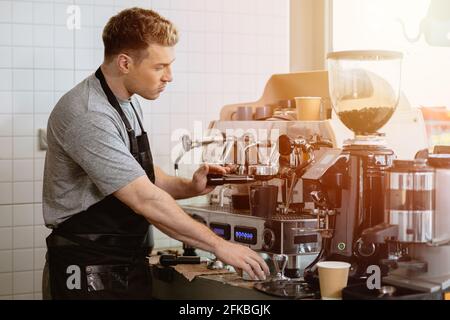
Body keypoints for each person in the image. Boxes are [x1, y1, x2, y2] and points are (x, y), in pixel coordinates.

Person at [42, 7, 269, 300]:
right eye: (159, 67)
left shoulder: (125, 101)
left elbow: (139, 174)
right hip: (87, 270)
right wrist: (220, 245)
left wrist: (189, 187)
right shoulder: (89, 114)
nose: (169, 77)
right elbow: (143, 197)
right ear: (125, 63)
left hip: (126, 263)